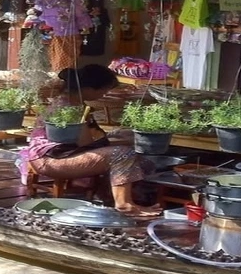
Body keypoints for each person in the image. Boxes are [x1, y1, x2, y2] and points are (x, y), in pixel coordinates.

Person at [18, 64, 158, 216]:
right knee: (123, 154)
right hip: (50, 161)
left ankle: (109, 198)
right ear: (89, 88)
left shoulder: (72, 102)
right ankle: (124, 205)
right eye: (104, 90)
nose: (105, 94)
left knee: (139, 160)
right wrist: (119, 141)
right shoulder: (69, 108)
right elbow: (86, 144)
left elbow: (89, 140)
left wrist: (115, 138)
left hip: (61, 155)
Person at [33, 0, 95, 72]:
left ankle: (62, 87)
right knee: (44, 68)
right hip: (45, 36)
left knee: (62, 69)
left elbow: (82, 17)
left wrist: (83, 32)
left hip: (66, 36)